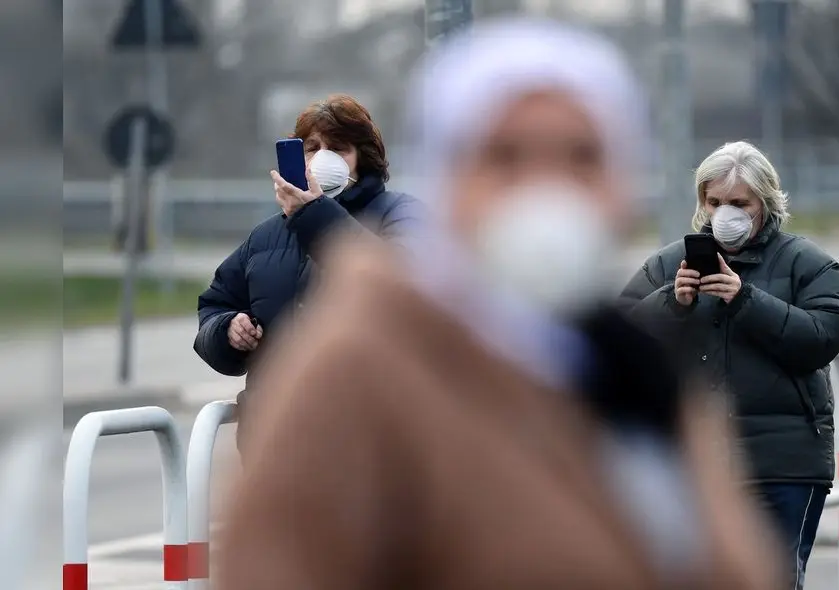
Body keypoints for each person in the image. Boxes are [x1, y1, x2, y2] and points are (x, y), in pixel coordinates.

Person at [215, 19, 782, 590]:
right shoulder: (358, 366)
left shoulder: (635, 367)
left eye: (581, 156)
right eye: (505, 156)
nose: (544, 187)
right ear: (448, 177)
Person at [621, 140, 839, 589]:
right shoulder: (671, 265)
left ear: (764, 204)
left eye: (738, 203)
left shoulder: (809, 265)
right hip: (696, 466)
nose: (724, 213)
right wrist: (674, 301)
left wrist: (744, 298)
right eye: (714, 202)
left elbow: (823, 336)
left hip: (783, 464)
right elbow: (624, 340)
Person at [193, 94, 423, 447]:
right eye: (312, 147)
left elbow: (401, 289)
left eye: (338, 147)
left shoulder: (400, 215)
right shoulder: (268, 235)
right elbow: (215, 304)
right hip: (275, 444)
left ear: (363, 158)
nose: (321, 158)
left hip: (370, 445)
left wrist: (313, 216)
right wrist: (227, 331)